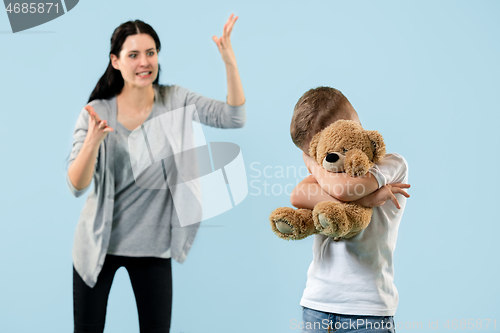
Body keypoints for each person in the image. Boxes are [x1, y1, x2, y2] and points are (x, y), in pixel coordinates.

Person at [66, 15, 245, 333]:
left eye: (150, 52)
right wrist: (92, 141)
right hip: (97, 247)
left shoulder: (175, 100)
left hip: (153, 246)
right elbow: (76, 186)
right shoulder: (96, 112)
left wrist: (229, 62)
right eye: (133, 55)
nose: (144, 62)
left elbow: (233, 118)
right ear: (116, 61)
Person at [288, 87, 410, 333]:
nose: (326, 158)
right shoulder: (326, 172)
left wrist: (312, 166)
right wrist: (365, 200)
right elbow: (298, 195)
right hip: (317, 304)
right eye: (313, 153)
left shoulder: (391, 164)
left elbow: (344, 190)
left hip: (367, 309)